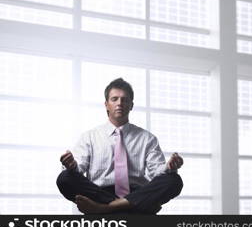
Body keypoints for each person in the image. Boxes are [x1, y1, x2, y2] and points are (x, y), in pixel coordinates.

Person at [56, 78, 184, 214]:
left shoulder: (147, 138)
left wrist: (169, 167)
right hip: (100, 193)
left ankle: (106, 208)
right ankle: (132, 206)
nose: (120, 103)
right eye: (114, 99)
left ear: (131, 105)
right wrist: (72, 165)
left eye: (125, 100)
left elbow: (156, 172)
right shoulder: (89, 137)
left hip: (135, 192)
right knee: (65, 178)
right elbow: (78, 170)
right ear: (106, 104)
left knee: (174, 180)